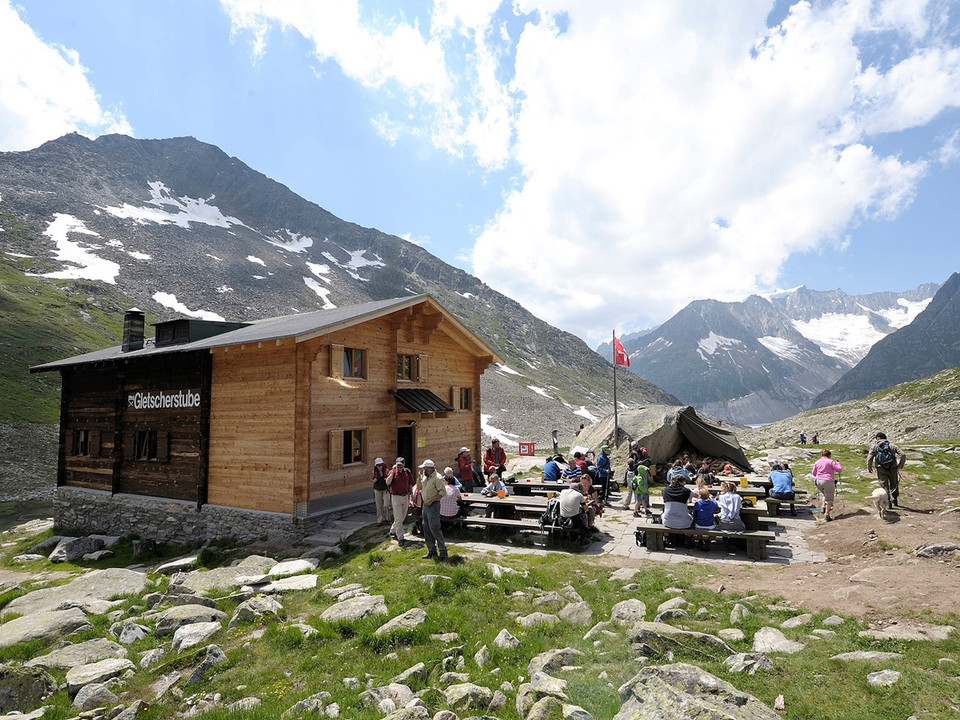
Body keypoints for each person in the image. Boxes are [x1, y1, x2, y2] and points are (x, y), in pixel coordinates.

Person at [417, 459, 447, 561]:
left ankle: (443, 551)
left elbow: (443, 493)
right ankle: (431, 550)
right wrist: (419, 477)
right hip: (425, 505)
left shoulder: (437, 478)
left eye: (425, 468)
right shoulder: (425, 477)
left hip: (433, 505)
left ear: (430, 468)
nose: (423, 470)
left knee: (434, 527)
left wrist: (431, 500)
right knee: (426, 527)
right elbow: (419, 488)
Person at [867, 431, 906, 509]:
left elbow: (869, 457)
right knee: (894, 483)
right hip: (893, 468)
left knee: (884, 485)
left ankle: (888, 502)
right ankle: (895, 499)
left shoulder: (875, 446)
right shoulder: (892, 446)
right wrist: (900, 465)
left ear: (878, 438)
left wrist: (869, 467)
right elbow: (903, 454)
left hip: (880, 468)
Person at [386, 457, 413, 545]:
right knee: (398, 518)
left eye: (401, 466)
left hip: (405, 496)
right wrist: (393, 472)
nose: (399, 468)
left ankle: (393, 530)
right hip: (395, 497)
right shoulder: (392, 472)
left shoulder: (407, 472)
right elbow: (387, 482)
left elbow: (410, 483)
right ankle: (400, 537)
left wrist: (411, 495)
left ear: (404, 465)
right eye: (398, 466)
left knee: (403, 516)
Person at [812, 448, 842, 521]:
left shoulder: (817, 462)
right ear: (829, 455)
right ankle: (827, 514)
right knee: (829, 499)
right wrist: (838, 463)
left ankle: (823, 507)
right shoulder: (830, 461)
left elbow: (813, 472)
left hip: (818, 481)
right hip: (828, 481)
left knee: (825, 494)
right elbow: (839, 469)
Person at [559, 479, 591, 546]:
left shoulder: (562, 491)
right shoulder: (579, 495)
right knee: (583, 524)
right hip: (573, 521)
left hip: (562, 520)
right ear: (577, 489)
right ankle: (582, 540)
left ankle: (564, 538)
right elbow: (585, 508)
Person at [371, 457, 391, 526]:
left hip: (385, 489)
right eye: (378, 465)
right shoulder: (374, 472)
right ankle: (379, 520)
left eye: (381, 465)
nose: (380, 467)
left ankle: (388, 519)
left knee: (386, 505)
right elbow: (371, 479)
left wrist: (387, 479)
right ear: (376, 466)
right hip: (377, 490)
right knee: (379, 506)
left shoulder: (386, 470)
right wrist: (374, 480)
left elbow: (390, 479)